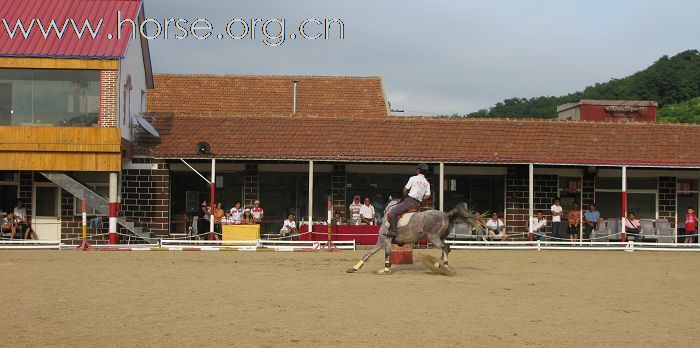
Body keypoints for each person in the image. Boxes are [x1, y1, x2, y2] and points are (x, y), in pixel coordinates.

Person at [386, 163, 431, 237]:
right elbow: (428, 195)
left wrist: (406, 198)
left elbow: (404, 190)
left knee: (392, 213)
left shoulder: (413, 178)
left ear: (418, 171)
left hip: (409, 201)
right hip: (418, 204)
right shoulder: (427, 183)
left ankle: (394, 231)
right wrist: (420, 199)